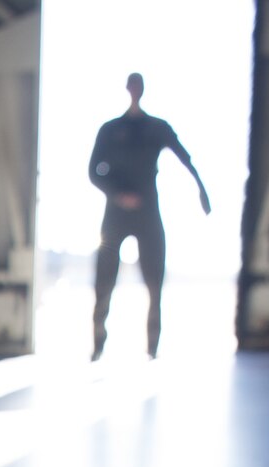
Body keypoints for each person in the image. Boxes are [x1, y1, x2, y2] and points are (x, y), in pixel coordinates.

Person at [87, 72, 211, 360]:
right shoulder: (110, 129)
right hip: (116, 213)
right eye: (132, 85)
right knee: (104, 280)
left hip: (147, 212)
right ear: (127, 88)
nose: (135, 90)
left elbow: (184, 157)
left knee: (155, 280)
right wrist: (118, 194)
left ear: (142, 89)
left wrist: (202, 190)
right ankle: (98, 342)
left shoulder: (156, 128)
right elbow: (93, 170)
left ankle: (153, 346)